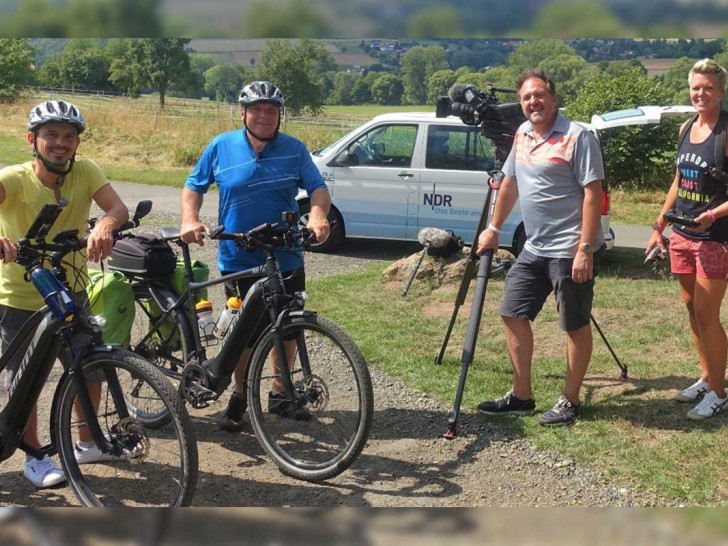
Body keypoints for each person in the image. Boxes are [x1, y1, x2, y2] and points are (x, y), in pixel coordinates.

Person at [180, 81, 331, 432]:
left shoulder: (294, 149)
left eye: (272, 110)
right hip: (239, 255)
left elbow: (317, 188)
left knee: (289, 328)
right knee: (244, 335)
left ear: (280, 115)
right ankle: (240, 395)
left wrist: (319, 214)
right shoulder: (221, 146)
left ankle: (281, 393)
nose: (264, 115)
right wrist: (190, 218)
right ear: (243, 113)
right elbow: (193, 186)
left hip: (286, 253)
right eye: (257, 109)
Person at [0, 100, 129, 488]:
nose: (61, 143)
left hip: (70, 290)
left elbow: (117, 208)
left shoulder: (86, 170)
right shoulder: (15, 178)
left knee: (89, 366)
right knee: (25, 383)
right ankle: (35, 456)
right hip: (20, 297)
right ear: (32, 140)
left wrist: (105, 225)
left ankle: (88, 443)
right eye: (51, 135)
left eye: (69, 137)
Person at [475, 68, 605, 427]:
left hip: (569, 249)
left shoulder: (578, 137)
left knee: (574, 325)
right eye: (526, 97)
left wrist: (585, 248)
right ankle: (521, 396)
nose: (533, 102)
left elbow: (593, 195)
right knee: (512, 312)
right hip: (534, 248)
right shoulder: (522, 134)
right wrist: (494, 228)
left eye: (539, 95)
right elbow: (510, 183)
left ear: (554, 98)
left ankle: (571, 400)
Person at [646, 58, 728, 420]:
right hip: (680, 235)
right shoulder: (685, 127)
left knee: (707, 315)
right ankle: (708, 377)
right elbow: (679, 182)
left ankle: (720, 392)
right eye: (696, 87)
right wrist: (658, 225)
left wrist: (710, 215)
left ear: (721, 91)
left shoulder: (726, 132)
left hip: (714, 237)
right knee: (692, 312)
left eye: (708, 87)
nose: (701, 93)